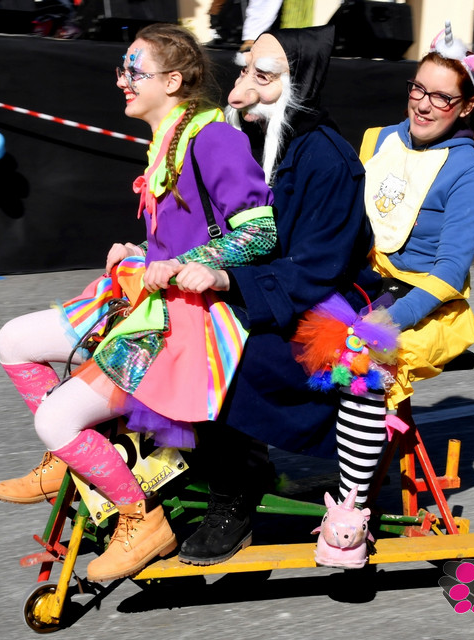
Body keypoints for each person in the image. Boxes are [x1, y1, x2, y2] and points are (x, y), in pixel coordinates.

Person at [0, 23, 277, 582]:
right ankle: (67, 459)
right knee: (14, 341)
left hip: (186, 319)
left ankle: (141, 518)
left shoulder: (213, 138)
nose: (122, 81)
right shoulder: (168, 138)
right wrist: (143, 251)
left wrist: (184, 263)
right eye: (122, 70)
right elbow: (184, 235)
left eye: (134, 71)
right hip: (145, 298)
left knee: (56, 417)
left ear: (171, 81)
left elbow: (259, 232)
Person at [153, 25, 375, 567]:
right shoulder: (249, 139)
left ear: (300, 86)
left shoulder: (329, 160)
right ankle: (174, 473)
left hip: (321, 304)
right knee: (163, 326)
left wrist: (230, 282)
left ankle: (235, 492)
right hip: (266, 291)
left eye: (264, 76)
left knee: (221, 354)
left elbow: (317, 269)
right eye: (244, 71)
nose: (239, 91)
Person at [293, 25, 474, 529]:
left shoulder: (468, 171)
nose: (424, 104)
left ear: (466, 106)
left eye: (442, 97)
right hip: (361, 285)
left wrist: (391, 319)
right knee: (271, 326)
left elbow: (450, 271)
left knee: (362, 361)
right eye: (419, 89)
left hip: (426, 306)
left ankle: (350, 512)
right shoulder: (377, 139)